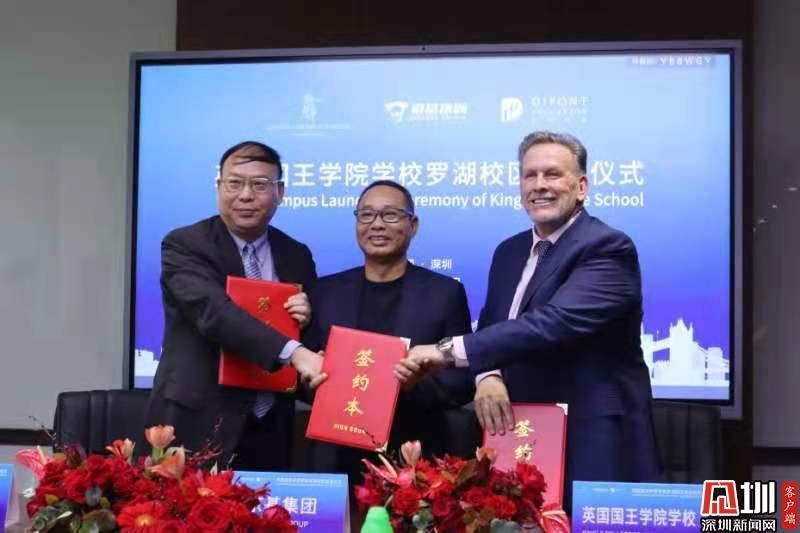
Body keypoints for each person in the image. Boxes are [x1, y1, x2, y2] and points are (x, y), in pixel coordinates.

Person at [396, 131, 660, 511]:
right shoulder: (509, 252)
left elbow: (553, 323)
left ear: (581, 187)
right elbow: (492, 326)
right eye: (529, 175)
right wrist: (488, 376)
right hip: (518, 433)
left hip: (593, 436)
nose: (539, 185)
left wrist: (445, 351)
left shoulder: (607, 247)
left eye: (552, 174)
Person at [145, 141, 326, 471]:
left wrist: (306, 319)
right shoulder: (185, 245)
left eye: (259, 185)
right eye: (234, 183)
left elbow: (309, 341)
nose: (245, 195)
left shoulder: (296, 254)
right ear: (219, 187)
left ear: (280, 192)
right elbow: (215, 314)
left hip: (271, 422)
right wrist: (296, 353)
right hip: (200, 417)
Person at [303, 180, 476, 488]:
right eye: (367, 215)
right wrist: (313, 378)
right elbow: (303, 373)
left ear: (413, 224)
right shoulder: (325, 292)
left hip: (415, 455)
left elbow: (461, 383)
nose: (377, 224)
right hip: (335, 455)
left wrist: (415, 383)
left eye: (390, 215)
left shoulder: (444, 293)